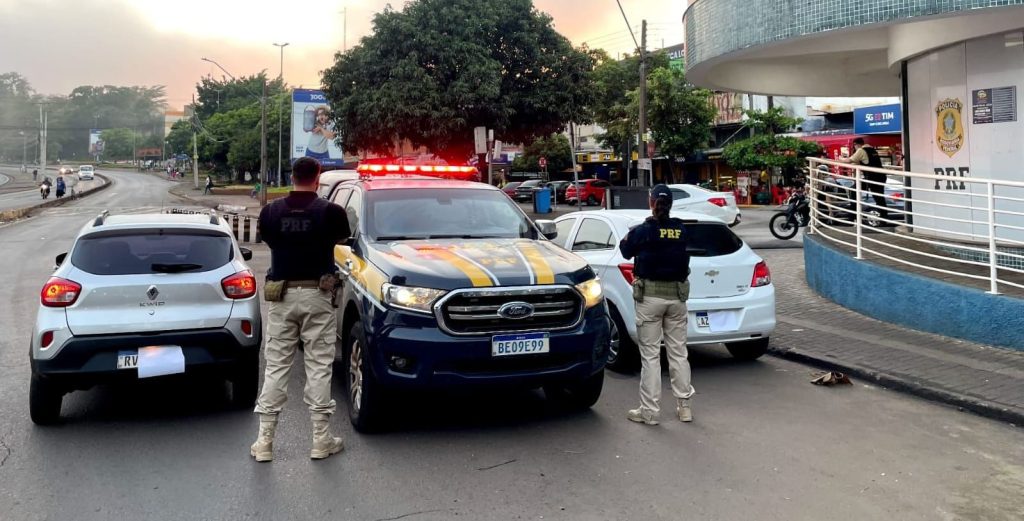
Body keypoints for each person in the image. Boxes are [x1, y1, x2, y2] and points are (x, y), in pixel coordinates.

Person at [251, 156, 350, 462]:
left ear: (291, 176)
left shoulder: (270, 212)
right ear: (317, 177)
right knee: (319, 365)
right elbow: (343, 239)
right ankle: (321, 440)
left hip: (281, 296)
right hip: (317, 295)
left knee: (277, 366)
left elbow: (267, 239)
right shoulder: (332, 212)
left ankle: (264, 442)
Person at [619, 184, 695, 426]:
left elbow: (624, 250)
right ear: (671, 204)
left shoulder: (643, 230)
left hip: (650, 298)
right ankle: (685, 408)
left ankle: (649, 412)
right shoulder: (681, 229)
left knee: (651, 357)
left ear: (651, 203)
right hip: (676, 298)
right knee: (678, 353)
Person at [839, 137, 888, 219]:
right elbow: (865, 161)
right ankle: (884, 217)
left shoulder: (861, 150)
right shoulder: (872, 149)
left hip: (871, 177)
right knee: (879, 198)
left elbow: (849, 160)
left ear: (855, 144)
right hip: (880, 176)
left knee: (853, 190)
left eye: (854, 146)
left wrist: (840, 159)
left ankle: (853, 215)